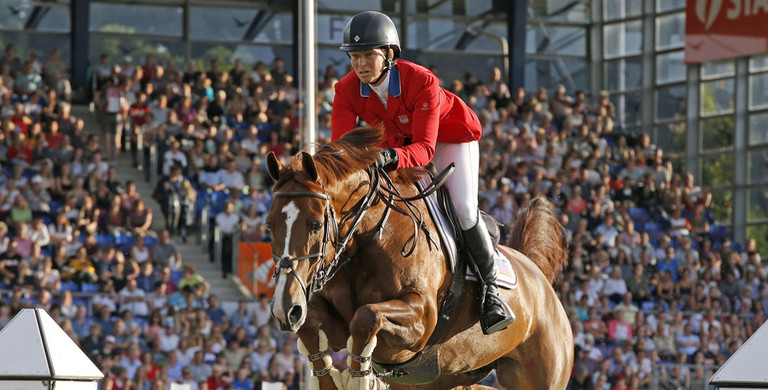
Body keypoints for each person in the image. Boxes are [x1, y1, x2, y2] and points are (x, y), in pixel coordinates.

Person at [331, 11, 513, 334]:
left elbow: (426, 150)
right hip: (398, 146)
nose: (360, 64)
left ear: (388, 55)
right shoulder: (346, 90)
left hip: (450, 138)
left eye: (368, 55)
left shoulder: (422, 81)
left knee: (463, 209)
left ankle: (492, 293)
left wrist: (386, 156)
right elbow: (340, 150)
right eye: (354, 56)